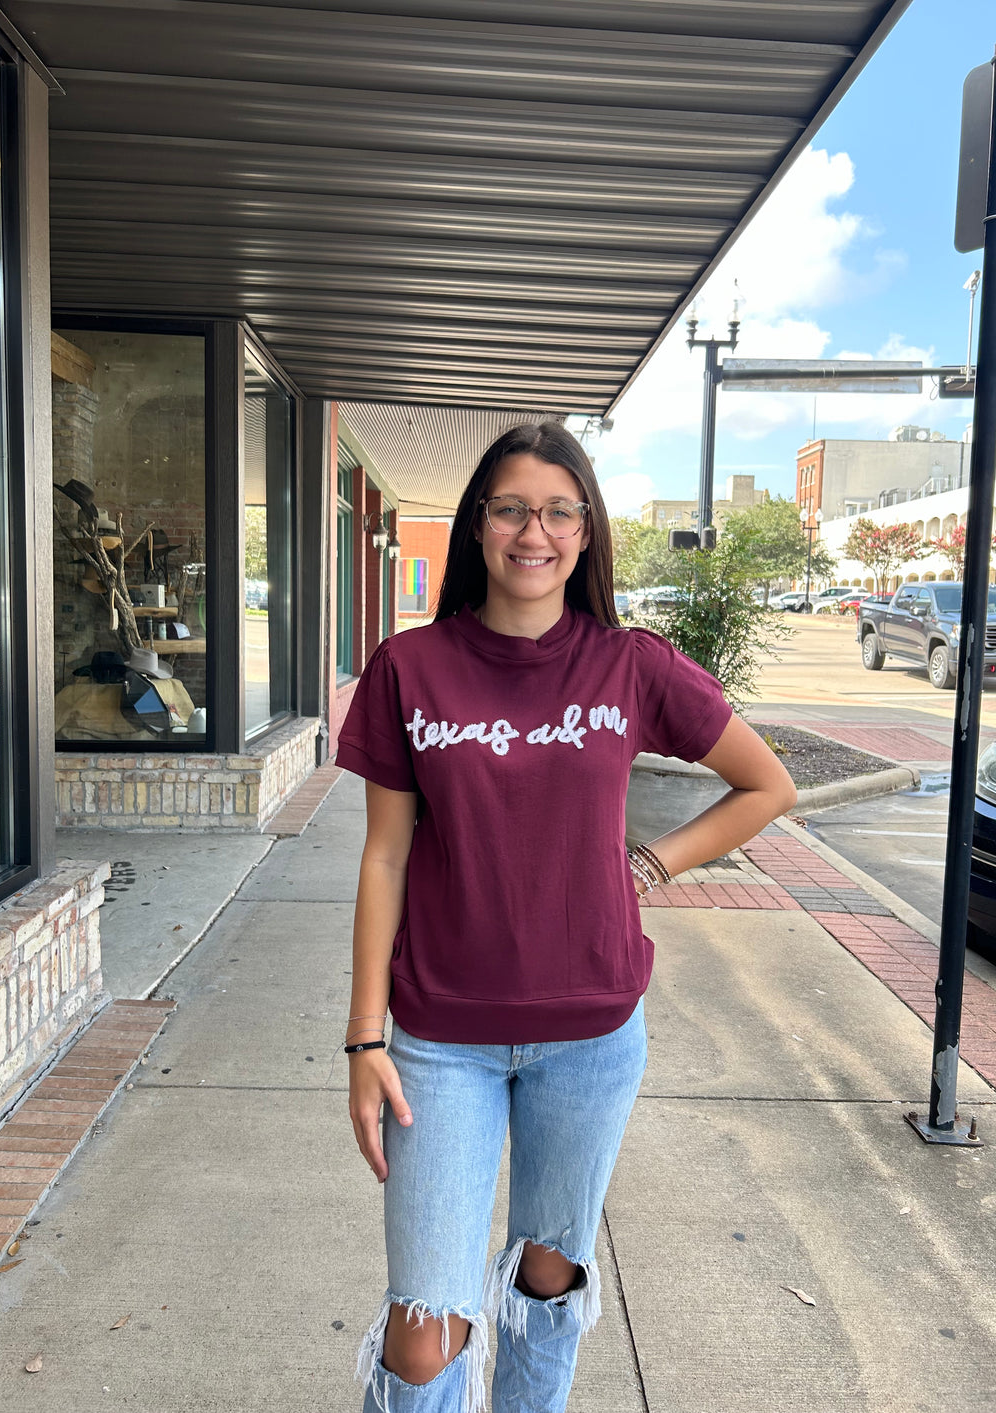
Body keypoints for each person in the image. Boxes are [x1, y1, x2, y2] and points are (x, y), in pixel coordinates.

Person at [336, 422, 796, 1413]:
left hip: (588, 1036)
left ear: (584, 535)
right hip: (439, 1039)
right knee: (425, 1334)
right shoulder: (409, 668)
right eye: (509, 508)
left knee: (548, 1283)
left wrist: (649, 863)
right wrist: (363, 1035)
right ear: (477, 527)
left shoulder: (631, 665)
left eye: (556, 511)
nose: (531, 531)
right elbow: (383, 854)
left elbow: (765, 784)